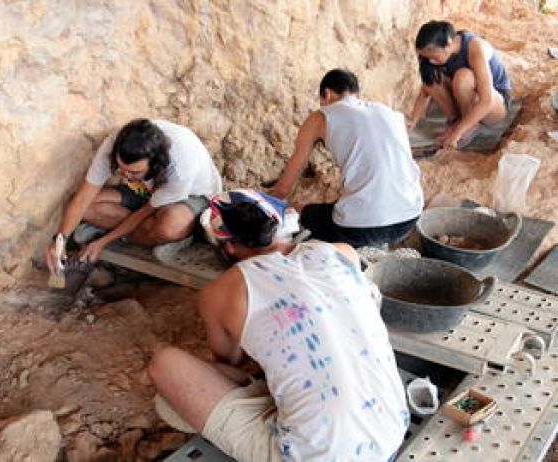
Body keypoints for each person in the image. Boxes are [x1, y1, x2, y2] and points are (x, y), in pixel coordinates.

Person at [148, 190, 409, 461]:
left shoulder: (221, 293)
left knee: (165, 369)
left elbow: (230, 363)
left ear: (228, 246)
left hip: (315, 456)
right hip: (391, 432)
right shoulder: (341, 253)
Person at [44, 118, 222, 275]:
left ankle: (180, 235)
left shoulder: (181, 167)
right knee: (84, 207)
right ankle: (145, 234)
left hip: (191, 196)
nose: (126, 175)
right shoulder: (115, 145)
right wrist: (59, 240)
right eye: (121, 169)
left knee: (168, 225)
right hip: (145, 191)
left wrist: (102, 242)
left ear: (155, 164)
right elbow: (83, 197)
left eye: (134, 171)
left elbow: (146, 210)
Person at [272, 69, 423, 248]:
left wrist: (268, 205)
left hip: (361, 229)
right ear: (356, 94)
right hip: (410, 217)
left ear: (326, 94)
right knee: (345, 204)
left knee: (297, 210)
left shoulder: (320, 117)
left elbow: (283, 188)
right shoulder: (388, 112)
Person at [409, 20, 513, 149]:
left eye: (434, 57)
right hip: (470, 102)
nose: (431, 61)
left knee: (463, 77)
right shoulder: (443, 51)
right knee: (433, 81)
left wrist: (457, 133)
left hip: (495, 104)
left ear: (447, 45)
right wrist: (412, 121)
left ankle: (468, 126)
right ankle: (456, 120)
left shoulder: (475, 47)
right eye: (427, 58)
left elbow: (487, 100)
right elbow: (426, 89)